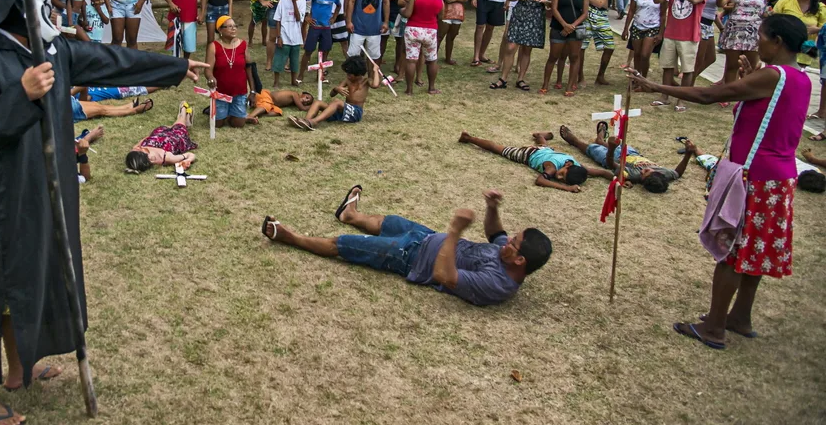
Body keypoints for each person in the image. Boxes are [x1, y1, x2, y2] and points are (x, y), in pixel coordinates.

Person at [0, 0, 205, 425]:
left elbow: (113, 61)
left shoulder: (55, 52)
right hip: (8, 198)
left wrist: (173, 67)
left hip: (53, 190)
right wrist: (20, 95)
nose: (49, 5)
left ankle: (17, 367)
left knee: (38, 273)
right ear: (11, 6)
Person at [627, 15, 811, 350]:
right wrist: (748, 81)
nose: (758, 44)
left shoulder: (772, 75)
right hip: (779, 179)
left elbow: (711, 94)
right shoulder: (800, 78)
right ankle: (740, 317)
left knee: (732, 251)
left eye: (762, 38)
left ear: (778, 42)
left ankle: (713, 327)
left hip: (754, 175)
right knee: (753, 251)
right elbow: (757, 112)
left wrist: (655, 86)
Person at [260, 188, 550, 306]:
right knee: (388, 220)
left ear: (520, 261)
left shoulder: (498, 284)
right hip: (425, 237)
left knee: (343, 245)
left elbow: (444, 276)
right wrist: (491, 207)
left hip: (409, 258)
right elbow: (495, 232)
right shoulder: (505, 253)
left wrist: (454, 232)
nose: (507, 241)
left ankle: (289, 237)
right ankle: (350, 215)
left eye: (513, 243)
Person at [458, 129, 611, 192]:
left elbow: (603, 173)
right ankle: (469, 138)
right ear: (568, 165)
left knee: (543, 145)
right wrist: (567, 188)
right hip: (527, 155)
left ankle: (541, 135)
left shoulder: (578, 167)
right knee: (498, 149)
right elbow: (540, 181)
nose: (558, 177)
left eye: (562, 180)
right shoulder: (551, 169)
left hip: (546, 151)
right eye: (562, 174)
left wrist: (619, 180)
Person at [557, 124, 692, 194]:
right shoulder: (666, 174)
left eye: (643, 174)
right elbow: (678, 173)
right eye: (647, 170)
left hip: (611, 157)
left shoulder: (632, 175)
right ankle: (601, 140)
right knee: (619, 145)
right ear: (659, 172)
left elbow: (611, 163)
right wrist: (688, 154)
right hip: (632, 153)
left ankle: (574, 141)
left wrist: (610, 148)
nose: (643, 170)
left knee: (593, 149)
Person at [654, 0, 712, 111]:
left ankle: (682, 100)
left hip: (689, 35)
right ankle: (664, 97)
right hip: (671, 32)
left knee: (687, 70)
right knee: (667, 66)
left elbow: (694, 0)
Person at [718, 0, 779, 88]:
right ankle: (728, 93)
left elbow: (778, 7)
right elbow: (721, 3)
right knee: (731, 65)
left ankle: (746, 92)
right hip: (734, 30)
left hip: (754, 32)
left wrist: (768, 15)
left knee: (750, 67)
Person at [494, 0, 548, 91]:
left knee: (526, 49)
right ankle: (503, 78)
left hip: (535, 18)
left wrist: (545, 1)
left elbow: (555, 2)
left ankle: (521, 79)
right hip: (519, 15)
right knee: (511, 47)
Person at [540, 0, 587, 97]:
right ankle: (545, 84)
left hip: (575, 29)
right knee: (553, 56)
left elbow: (585, 13)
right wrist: (564, 24)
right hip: (558, 27)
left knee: (574, 57)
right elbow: (554, 8)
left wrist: (572, 26)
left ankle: (569, 85)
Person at [288, 55, 369, 129]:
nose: (347, 76)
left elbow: (375, 84)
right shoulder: (347, 80)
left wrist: (375, 70)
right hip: (344, 110)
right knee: (318, 102)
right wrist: (336, 89)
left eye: (350, 74)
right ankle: (305, 121)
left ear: (358, 74)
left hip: (355, 113)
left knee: (337, 102)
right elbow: (332, 94)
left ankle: (314, 122)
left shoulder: (365, 82)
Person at [346, 0, 390, 87]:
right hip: (358, 25)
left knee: (374, 55)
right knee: (353, 55)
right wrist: (349, 21)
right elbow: (351, 2)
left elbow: (386, 3)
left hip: (375, 27)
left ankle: (372, 77)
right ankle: (353, 78)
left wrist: (386, 22)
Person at [399, 0, 443, 95]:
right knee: (432, 60)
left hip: (413, 29)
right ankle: (431, 87)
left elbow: (407, 13)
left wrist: (401, 11)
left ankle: (409, 89)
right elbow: (441, 16)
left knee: (411, 60)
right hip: (430, 30)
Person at [204, 17, 255, 128]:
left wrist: (253, 91)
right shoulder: (213, 46)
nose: (233, 29)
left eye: (235, 26)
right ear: (220, 30)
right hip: (221, 93)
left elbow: (249, 68)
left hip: (239, 92)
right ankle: (216, 110)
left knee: (238, 124)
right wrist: (210, 78)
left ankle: (234, 112)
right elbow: (207, 69)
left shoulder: (243, 45)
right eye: (229, 26)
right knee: (217, 124)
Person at [577, 0, 617, 86]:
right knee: (582, 46)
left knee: (610, 46)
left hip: (602, 13)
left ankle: (600, 76)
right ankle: (580, 77)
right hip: (589, 11)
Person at [124, 102, 200, 172]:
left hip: (159, 133)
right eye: (138, 149)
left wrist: (149, 136)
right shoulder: (165, 157)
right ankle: (184, 111)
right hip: (176, 136)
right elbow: (191, 155)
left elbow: (145, 139)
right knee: (180, 123)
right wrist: (187, 160)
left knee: (176, 125)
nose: (136, 147)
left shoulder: (136, 151)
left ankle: (185, 117)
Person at [772, 0, 825, 68]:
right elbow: (773, 21)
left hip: (805, 51)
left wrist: (816, 30)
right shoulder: (785, 1)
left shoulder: (821, 8)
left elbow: (824, 29)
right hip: (783, 48)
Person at [621, 0, 663, 86]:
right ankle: (637, 76)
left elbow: (664, 15)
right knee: (637, 54)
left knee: (645, 55)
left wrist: (661, 33)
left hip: (653, 27)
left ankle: (644, 79)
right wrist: (625, 29)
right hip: (637, 26)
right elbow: (631, 11)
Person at [299, 0, 342, 83]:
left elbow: (339, 5)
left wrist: (334, 18)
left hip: (326, 28)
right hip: (315, 27)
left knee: (324, 51)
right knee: (308, 51)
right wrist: (306, 16)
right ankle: (300, 75)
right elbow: (302, 1)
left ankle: (320, 75)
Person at [694, 0, 729, 79]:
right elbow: (719, 4)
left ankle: (690, 79)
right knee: (700, 58)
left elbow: (713, 11)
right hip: (701, 23)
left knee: (710, 58)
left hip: (709, 25)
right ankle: (688, 83)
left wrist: (721, 27)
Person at [272, 0, 306, 87]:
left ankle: (293, 80)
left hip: (296, 37)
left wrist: (294, 3)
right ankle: (276, 81)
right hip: (284, 36)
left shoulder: (302, 2)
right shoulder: (282, 1)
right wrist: (279, 36)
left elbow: (298, 18)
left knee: (294, 61)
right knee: (279, 59)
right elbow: (278, 20)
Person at [439, 0, 468, 66]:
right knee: (440, 36)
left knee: (452, 37)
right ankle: (432, 58)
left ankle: (448, 58)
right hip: (446, 13)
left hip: (458, 14)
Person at [247, 88, 315, 119]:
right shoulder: (295, 94)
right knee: (266, 105)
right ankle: (250, 116)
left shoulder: (294, 100)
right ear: (302, 94)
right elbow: (302, 108)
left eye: (307, 103)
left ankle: (258, 114)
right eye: (307, 97)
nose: (306, 101)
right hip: (265, 95)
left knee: (278, 111)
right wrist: (314, 105)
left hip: (271, 103)